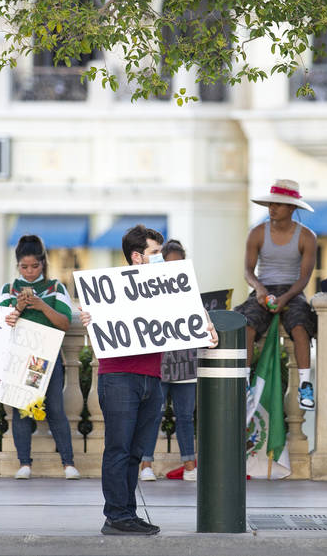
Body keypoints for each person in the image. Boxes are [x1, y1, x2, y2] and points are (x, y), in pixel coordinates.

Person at [77, 225, 218, 536]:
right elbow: (97, 323)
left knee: (136, 451)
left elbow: (189, 312)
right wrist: (90, 318)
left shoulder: (166, 287)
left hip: (152, 377)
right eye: (156, 253)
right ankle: (116, 515)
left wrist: (206, 324)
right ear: (137, 257)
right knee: (119, 448)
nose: (162, 258)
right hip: (118, 378)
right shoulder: (110, 288)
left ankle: (126, 512)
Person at [0, 234, 80, 481]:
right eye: (25, 267)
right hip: (20, 359)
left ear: (43, 263)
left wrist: (42, 305)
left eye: (35, 266)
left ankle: (68, 463)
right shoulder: (8, 290)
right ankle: (24, 463)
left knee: (56, 409)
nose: (30, 271)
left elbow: (64, 323)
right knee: (23, 409)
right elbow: (2, 325)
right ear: (18, 266)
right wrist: (20, 306)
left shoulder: (56, 288)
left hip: (49, 358)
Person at [237, 179, 318, 410]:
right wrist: (260, 290)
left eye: (279, 204)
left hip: (292, 291)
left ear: (292, 208)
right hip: (263, 288)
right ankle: (244, 383)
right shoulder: (257, 233)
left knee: (301, 326)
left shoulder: (307, 237)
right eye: (271, 204)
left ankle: (305, 386)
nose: (272, 208)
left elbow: (303, 279)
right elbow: (248, 271)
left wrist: (285, 298)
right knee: (246, 325)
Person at [140, 239, 199, 482]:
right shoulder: (149, 289)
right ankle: (145, 465)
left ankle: (189, 465)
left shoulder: (189, 288)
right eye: (168, 263)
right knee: (153, 413)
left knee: (185, 415)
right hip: (158, 359)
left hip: (184, 358)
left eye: (178, 264)